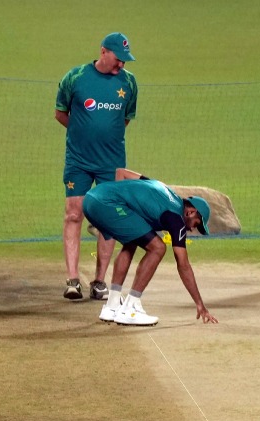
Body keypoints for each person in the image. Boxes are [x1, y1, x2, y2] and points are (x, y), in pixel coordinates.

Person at [55, 32, 139, 301]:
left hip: (111, 164)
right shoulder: (76, 78)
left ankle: (100, 281)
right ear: (103, 51)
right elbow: (60, 113)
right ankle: (72, 280)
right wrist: (84, 134)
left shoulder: (129, 83)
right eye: (118, 59)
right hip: (78, 161)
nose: (121, 65)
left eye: (125, 61)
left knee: (108, 220)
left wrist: (102, 137)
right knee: (73, 215)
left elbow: (125, 119)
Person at [82, 174, 217, 326]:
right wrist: (200, 304)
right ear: (190, 212)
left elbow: (128, 175)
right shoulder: (176, 218)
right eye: (196, 224)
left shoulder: (166, 191)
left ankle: (112, 306)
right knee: (158, 248)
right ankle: (130, 308)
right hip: (107, 203)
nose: (192, 229)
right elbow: (183, 264)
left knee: (131, 243)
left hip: (91, 199)